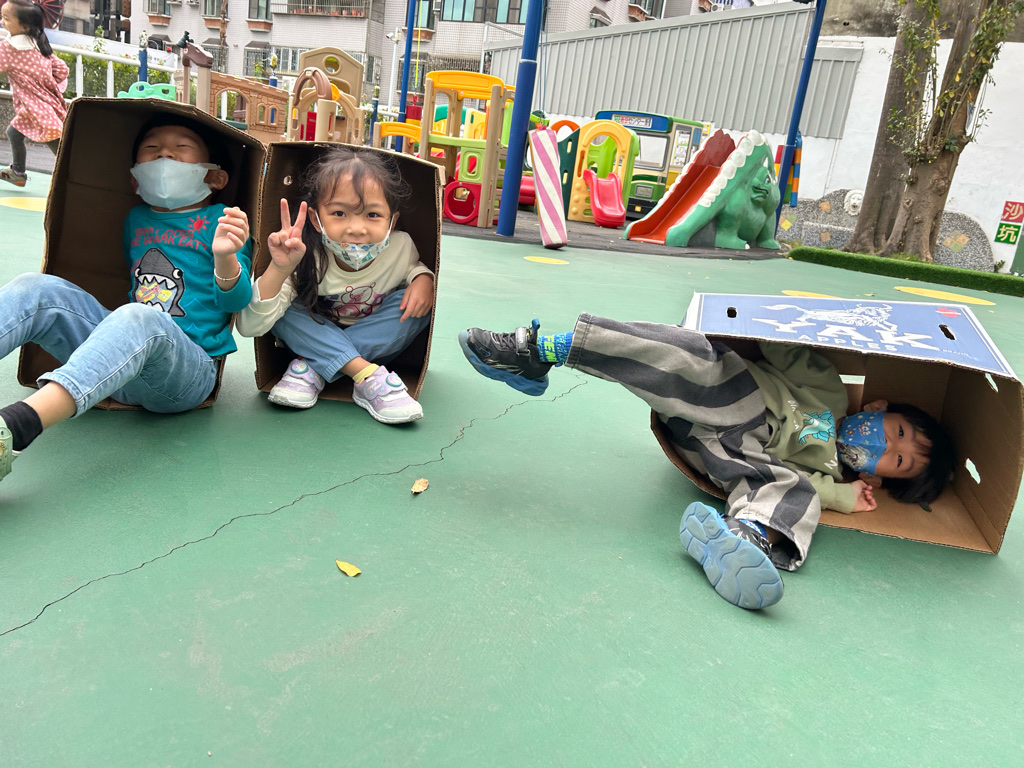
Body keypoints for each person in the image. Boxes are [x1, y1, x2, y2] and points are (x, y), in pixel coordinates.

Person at [458, 315, 955, 610]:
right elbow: (782, 346)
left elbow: (810, 487)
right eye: (897, 434)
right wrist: (769, 317)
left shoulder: (832, 472)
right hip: (725, 393)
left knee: (794, 490)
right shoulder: (829, 389)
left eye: (896, 462)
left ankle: (745, 536)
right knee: (685, 351)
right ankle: (541, 352)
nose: (885, 448)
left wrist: (844, 496)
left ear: (875, 476)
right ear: (877, 408)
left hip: (720, 452)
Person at [0, 115, 253, 484]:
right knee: (34, 288)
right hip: (116, 363)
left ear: (215, 177)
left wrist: (226, 256)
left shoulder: (223, 220)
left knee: (139, 316)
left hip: (187, 373)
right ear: (135, 180)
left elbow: (236, 303)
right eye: (151, 149)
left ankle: (17, 426)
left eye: (181, 147)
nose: (164, 154)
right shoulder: (136, 219)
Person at [235, 145, 434, 424]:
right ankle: (367, 375)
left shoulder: (401, 246)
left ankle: (312, 369)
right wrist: (279, 270)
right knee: (284, 311)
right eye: (339, 213)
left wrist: (424, 279)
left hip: (363, 336)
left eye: (372, 215)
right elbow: (250, 327)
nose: (356, 228)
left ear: (392, 222)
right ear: (316, 219)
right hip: (313, 331)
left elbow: (414, 270)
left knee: (417, 308)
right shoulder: (305, 253)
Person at [0, 0, 68, 187]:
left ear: (25, 26)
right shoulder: (38, 43)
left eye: (6, 19)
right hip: (46, 103)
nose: (2, 22)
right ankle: (18, 172)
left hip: (36, 107)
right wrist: (45, 82)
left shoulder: (8, 49)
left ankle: (74, 175)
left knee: (58, 143)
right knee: (13, 132)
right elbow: (62, 69)